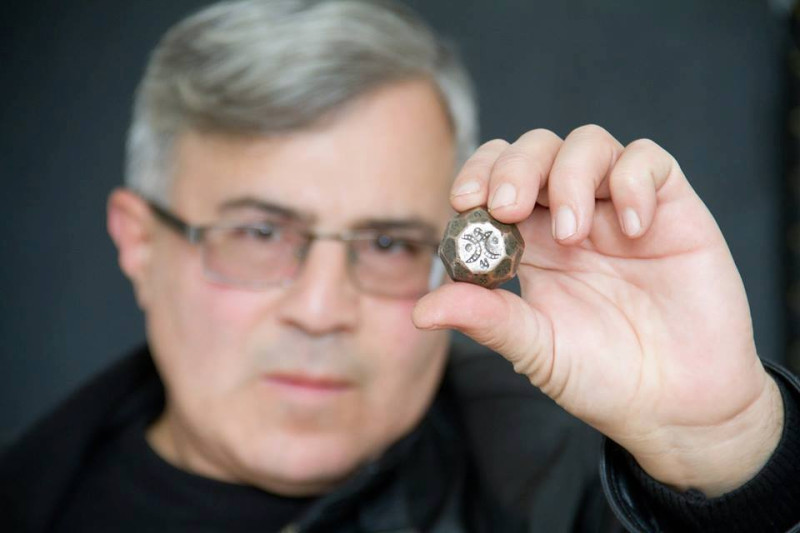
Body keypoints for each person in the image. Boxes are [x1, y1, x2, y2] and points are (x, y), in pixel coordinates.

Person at [2, 0, 800, 531]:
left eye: (388, 243)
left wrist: (723, 454)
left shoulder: (554, 477)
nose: (322, 309)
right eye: (259, 232)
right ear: (140, 242)